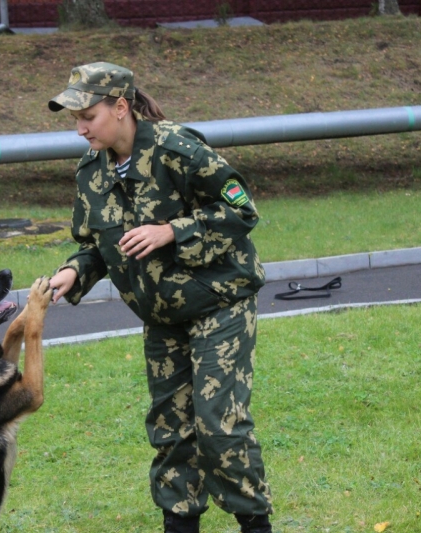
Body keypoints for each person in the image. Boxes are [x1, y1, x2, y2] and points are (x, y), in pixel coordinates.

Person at [47, 62, 273, 533]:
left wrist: (172, 230)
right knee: (171, 430)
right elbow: (99, 244)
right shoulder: (91, 172)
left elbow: (241, 208)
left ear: (121, 107)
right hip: (162, 316)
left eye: (88, 116)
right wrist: (74, 271)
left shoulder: (177, 150)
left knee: (218, 425)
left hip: (219, 301)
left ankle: (255, 524)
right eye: (75, 119)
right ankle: (179, 524)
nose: (81, 128)